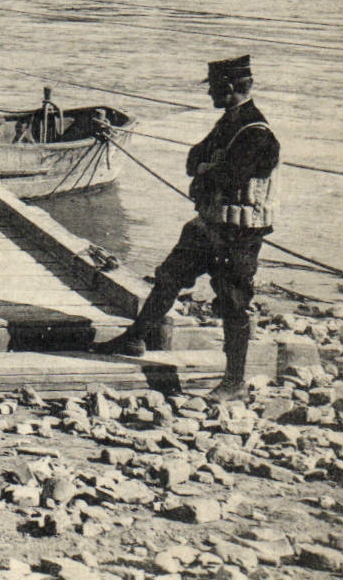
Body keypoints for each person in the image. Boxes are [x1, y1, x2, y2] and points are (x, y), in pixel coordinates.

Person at [93, 56, 280, 401]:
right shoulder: (230, 121)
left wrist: (208, 168)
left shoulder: (256, 132)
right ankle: (135, 338)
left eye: (213, 88)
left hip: (238, 234)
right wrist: (209, 166)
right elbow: (193, 159)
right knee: (169, 276)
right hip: (210, 223)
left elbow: (225, 177)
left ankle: (234, 382)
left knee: (233, 302)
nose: (209, 93)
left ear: (229, 88)